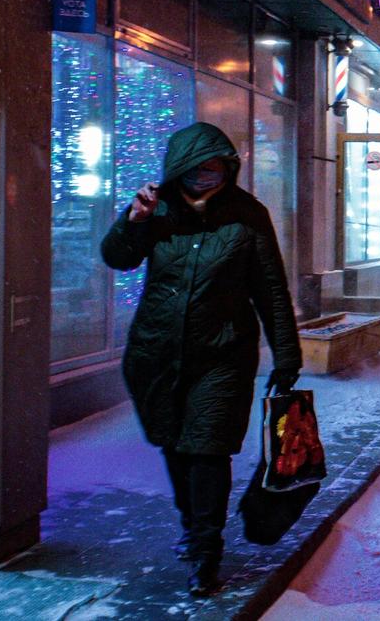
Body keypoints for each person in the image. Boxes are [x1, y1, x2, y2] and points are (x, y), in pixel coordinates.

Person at [100, 122, 301, 598]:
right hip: (157, 354)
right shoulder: (157, 209)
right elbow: (116, 258)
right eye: (198, 170)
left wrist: (287, 355)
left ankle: (206, 551)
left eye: (216, 169)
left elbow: (270, 289)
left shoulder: (248, 215)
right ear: (179, 170)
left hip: (223, 356)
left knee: (208, 447)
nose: (207, 177)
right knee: (175, 444)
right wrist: (135, 220)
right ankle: (192, 525)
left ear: (228, 168)